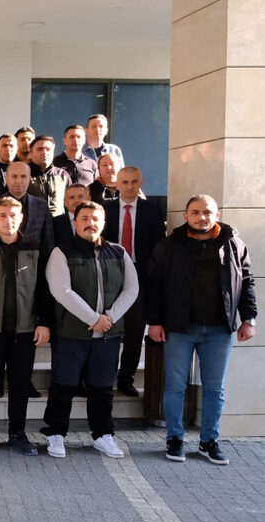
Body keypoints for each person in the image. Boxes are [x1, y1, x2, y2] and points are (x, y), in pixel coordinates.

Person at [146, 194, 256, 465]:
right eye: (195, 212)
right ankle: (175, 439)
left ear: (216, 215)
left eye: (207, 212)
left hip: (219, 329)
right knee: (175, 386)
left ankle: (209, 441)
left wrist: (249, 318)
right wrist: (154, 321)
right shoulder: (170, 245)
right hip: (179, 328)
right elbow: (154, 284)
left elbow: (246, 281)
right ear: (186, 216)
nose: (201, 217)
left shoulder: (233, 243)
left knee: (215, 389)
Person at [42, 201, 138, 459]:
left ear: (103, 223)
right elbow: (61, 291)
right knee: (64, 385)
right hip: (72, 333)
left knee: (102, 387)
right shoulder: (62, 252)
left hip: (107, 334)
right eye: (84, 218)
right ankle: (55, 433)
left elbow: (132, 289)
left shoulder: (118, 252)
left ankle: (103, 435)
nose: (90, 223)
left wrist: (109, 317)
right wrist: (93, 318)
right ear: (75, 223)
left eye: (95, 219)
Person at [0, 197, 52, 455]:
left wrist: (44, 323)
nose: (8, 220)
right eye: (2, 215)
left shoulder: (35, 247)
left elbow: (44, 288)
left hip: (24, 330)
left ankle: (18, 433)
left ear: (21, 218)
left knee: (20, 383)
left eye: (13, 215)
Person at [102, 167, 166, 397]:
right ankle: (104, 376)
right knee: (108, 326)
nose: (129, 186)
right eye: (125, 182)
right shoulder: (105, 209)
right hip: (110, 272)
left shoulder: (152, 211)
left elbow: (159, 246)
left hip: (140, 274)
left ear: (140, 183)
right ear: (117, 184)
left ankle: (126, 377)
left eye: (134, 181)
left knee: (135, 328)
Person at [27, 136, 72, 217]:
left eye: (48, 149)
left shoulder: (62, 174)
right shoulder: (24, 173)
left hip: (58, 222)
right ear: (31, 153)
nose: (44, 152)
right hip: (32, 222)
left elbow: (70, 201)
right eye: (40, 149)